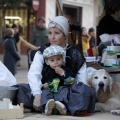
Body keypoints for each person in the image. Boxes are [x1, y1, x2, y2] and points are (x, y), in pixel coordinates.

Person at [27, 16, 95, 116]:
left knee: (85, 90)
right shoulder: (43, 51)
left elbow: (81, 83)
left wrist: (66, 78)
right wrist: (37, 94)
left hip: (67, 92)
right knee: (22, 89)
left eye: (57, 33)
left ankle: (60, 105)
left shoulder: (75, 54)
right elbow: (34, 74)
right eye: (50, 33)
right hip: (45, 90)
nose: (52, 37)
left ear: (64, 35)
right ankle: (49, 105)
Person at [41, 45, 75, 115]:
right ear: (47, 62)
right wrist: (43, 86)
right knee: (44, 92)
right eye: (52, 60)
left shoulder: (65, 69)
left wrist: (62, 73)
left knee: (64, 90)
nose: (56, 62)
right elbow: (40, 81)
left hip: (60, 90)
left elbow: (72, 81)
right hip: (49, 89)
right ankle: (47, 106)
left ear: (62, 59)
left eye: (58, 59)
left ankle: (62, 105)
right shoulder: (45, 71)